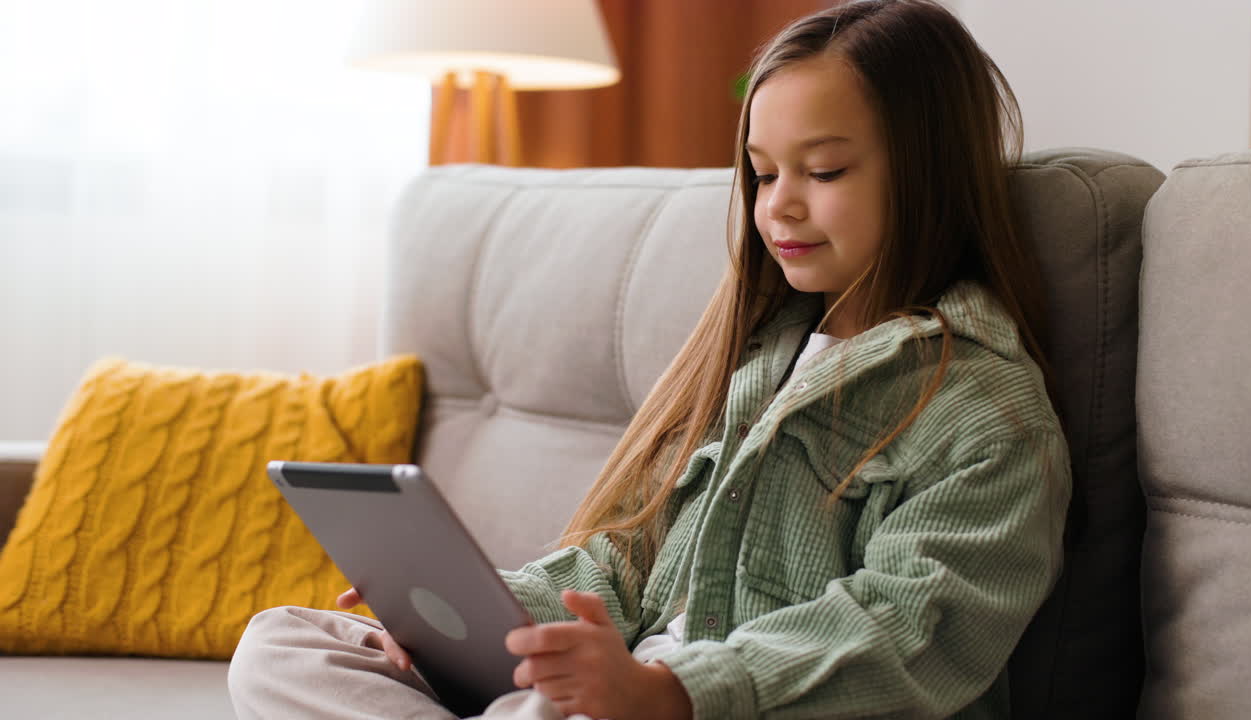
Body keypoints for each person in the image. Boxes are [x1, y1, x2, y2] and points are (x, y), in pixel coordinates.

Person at [227, 0, 1071, 718]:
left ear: (929, 174)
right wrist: (469, 620)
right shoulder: (753, 362)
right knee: (284, 643)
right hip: (619, 691)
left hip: (722, 706)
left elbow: (907, 631)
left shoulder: (987, 412)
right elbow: (621, 564)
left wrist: (671, 691)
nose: (780, 205)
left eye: (824, 170)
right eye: (763, 171)